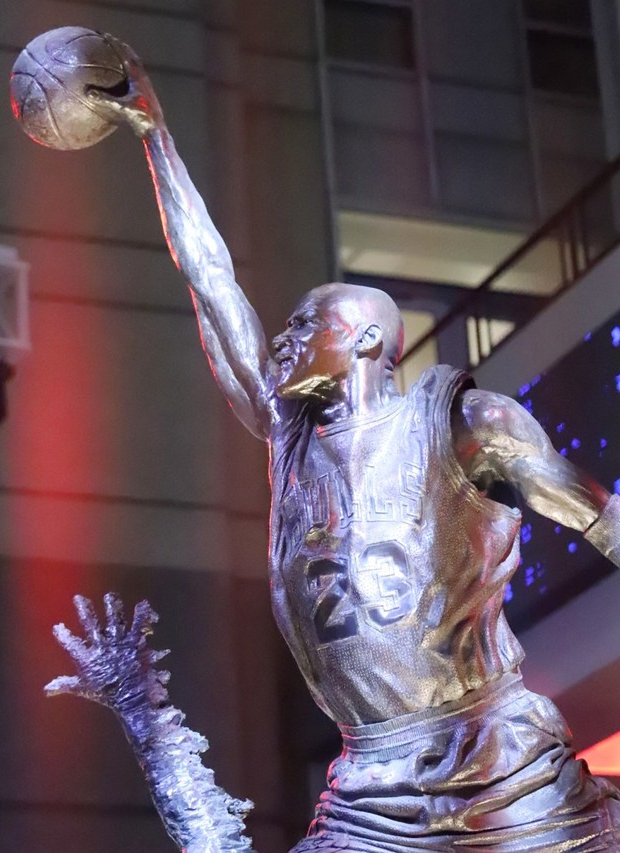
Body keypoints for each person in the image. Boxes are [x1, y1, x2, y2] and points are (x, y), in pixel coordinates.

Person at [73, 42, 620, 851]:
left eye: (305, 323)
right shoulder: (289, 438)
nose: (284, 339)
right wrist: (156, 137)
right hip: (369, 790)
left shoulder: (467, 425)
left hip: (502, 767)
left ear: (366, 336)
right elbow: (211, 277)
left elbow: (602, 517)